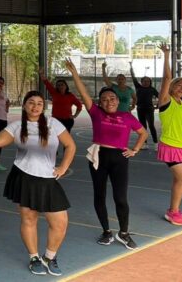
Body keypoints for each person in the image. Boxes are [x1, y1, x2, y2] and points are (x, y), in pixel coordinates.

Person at [0, 91, 76, 276]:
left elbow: (70, 146)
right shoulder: (17, 126)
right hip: (24, 176)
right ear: (24, 105)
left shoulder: (53, 123)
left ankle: (49, 257)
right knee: (29, 219)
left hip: (47, 178)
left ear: (43, 107)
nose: (35, 106)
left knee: (60, 222)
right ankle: (34, 257)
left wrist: (63, 167)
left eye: (39, 103)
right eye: (31, 102)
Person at [65, 59, 147, 249]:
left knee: (120, 198)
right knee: (99, 195)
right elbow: (83, 93)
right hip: (99, 157)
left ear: (118, 101)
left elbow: (143, 133)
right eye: (104, 99)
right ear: (100, 103)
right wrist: (75, 73)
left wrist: (134, 150)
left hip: (120, 159)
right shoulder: (96, 113)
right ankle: (106, 231)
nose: (109, 101)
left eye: (112, 98)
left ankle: (123, 233)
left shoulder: (127, 116)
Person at [155, 44, 182, 226]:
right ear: (171, 88)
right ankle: (173, 212)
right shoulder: (166, 101)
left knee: (179, 181)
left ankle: (175, 210)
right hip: (172, 146)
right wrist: (167, 55)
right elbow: (167, 77)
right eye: (178, 85)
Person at [38, 67, 82, 132]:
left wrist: (75, 115)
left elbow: (79, 105)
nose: (60, 86)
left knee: (66, 136)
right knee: (55, 136)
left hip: (67, 121)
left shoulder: (70, 96)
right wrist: (41, 73)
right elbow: (46, 82)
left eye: (62, 85)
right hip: (56, 120)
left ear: (66, 86)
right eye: (58, 85)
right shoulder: (54, 93)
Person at [130, 63, 159, 150]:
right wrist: (131, 67)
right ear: (141, 82)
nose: (146, 82)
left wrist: (158, 105)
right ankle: (145, 143)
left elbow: (160, 97)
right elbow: (133, 78)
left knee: (151, 126)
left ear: (150, 82)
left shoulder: (152, 89)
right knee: (143, 127)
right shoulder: (138, 87)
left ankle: (156, 144)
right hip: (140, 109)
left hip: (149, 109)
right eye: (144, 81)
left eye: (148, 81)